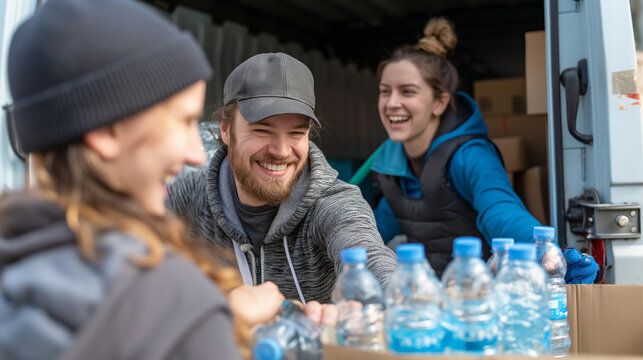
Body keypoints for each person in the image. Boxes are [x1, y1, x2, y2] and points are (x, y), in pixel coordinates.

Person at [0, 0, 279, 359]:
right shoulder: (173, 303)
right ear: (107, 131)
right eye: (183, 122)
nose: (197, 153)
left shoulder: (15, 264)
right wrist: (209, 324)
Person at [370, 17, 598, 283]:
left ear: (439, 103)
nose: (392, 103)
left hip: (478, 301)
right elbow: (374, 228)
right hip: (429, 302)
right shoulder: (391, 165)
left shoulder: (470, 155)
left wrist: (544, 252)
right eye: (385, 92)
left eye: (407, 92)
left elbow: (500, 210)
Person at [167, 52, 398, 307]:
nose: (281, 151)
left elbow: (371, 259)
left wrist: (397, 300)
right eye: (262, 130)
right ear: (226, 128)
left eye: (296, 133)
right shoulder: (188, 195)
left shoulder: (333, 204)